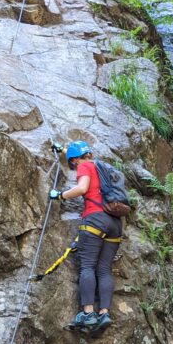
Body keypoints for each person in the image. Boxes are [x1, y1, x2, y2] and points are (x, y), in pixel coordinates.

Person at [60, 141, 122, 333]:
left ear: (74, 160)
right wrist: (63, 150)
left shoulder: (84, 165)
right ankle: (104, 313)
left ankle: (87, 314)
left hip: (95, 219)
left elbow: (81, 188)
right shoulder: (102, 167)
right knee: (104, 269)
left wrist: (60, 195)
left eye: (72, 163)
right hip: (115, 223)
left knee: (87, 266)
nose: (74, 167)